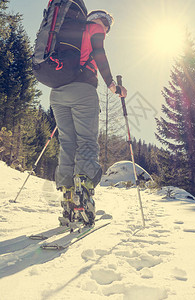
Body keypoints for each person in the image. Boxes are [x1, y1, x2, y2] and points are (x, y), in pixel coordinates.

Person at [50, 10, 127, 225]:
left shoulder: (65, 32)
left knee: (67, 143)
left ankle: (67, 199)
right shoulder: (95, 27)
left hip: (57, 93)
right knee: (86, 141)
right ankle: (82, 199)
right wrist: (112, 85)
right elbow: (99, 53)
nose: (106, 29)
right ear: (102, 21)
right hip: (83, 90)